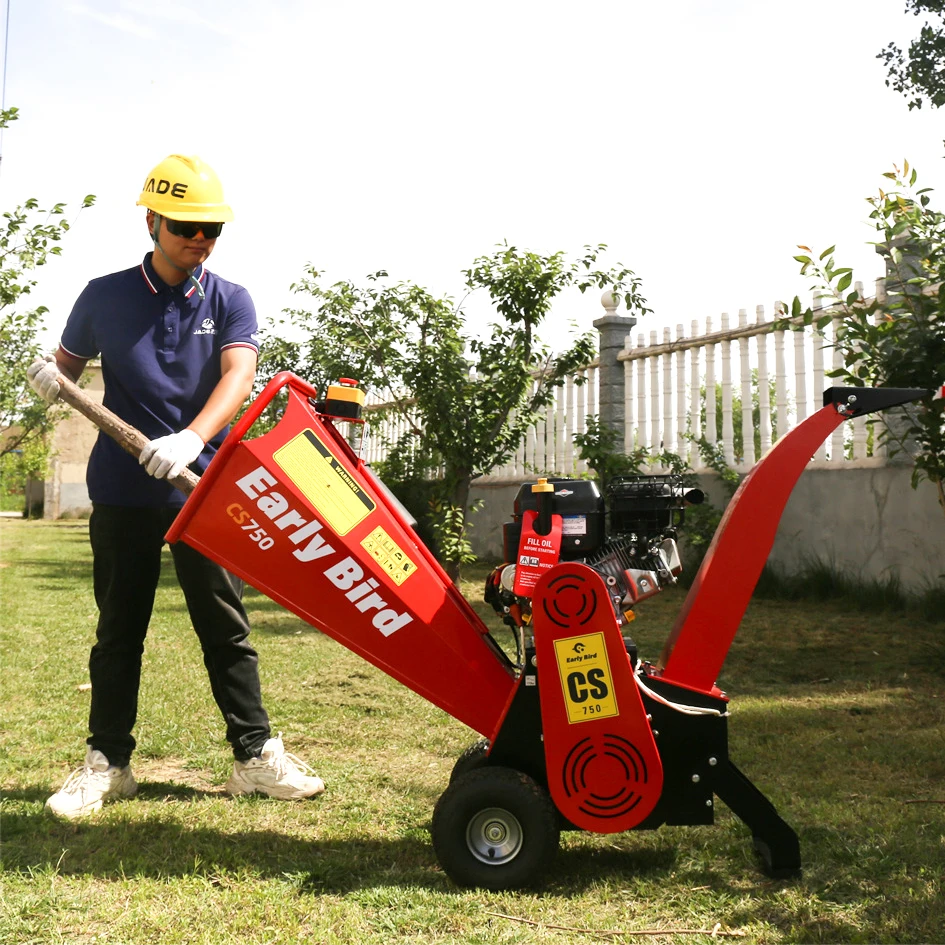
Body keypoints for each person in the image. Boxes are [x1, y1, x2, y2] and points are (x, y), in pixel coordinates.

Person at [28, 154, 325, 820]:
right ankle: (107, 764)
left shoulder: (229, 299)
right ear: (153, 219)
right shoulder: (103, 295)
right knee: (118, 632)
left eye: (212, 228)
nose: (201, 239)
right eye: (188, 225)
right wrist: (50, 376)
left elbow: (238, 376)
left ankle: (254, 758)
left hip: (205, 490)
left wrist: (193, 438)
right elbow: (66, 368)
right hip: (123, 493)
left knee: (226, 627)